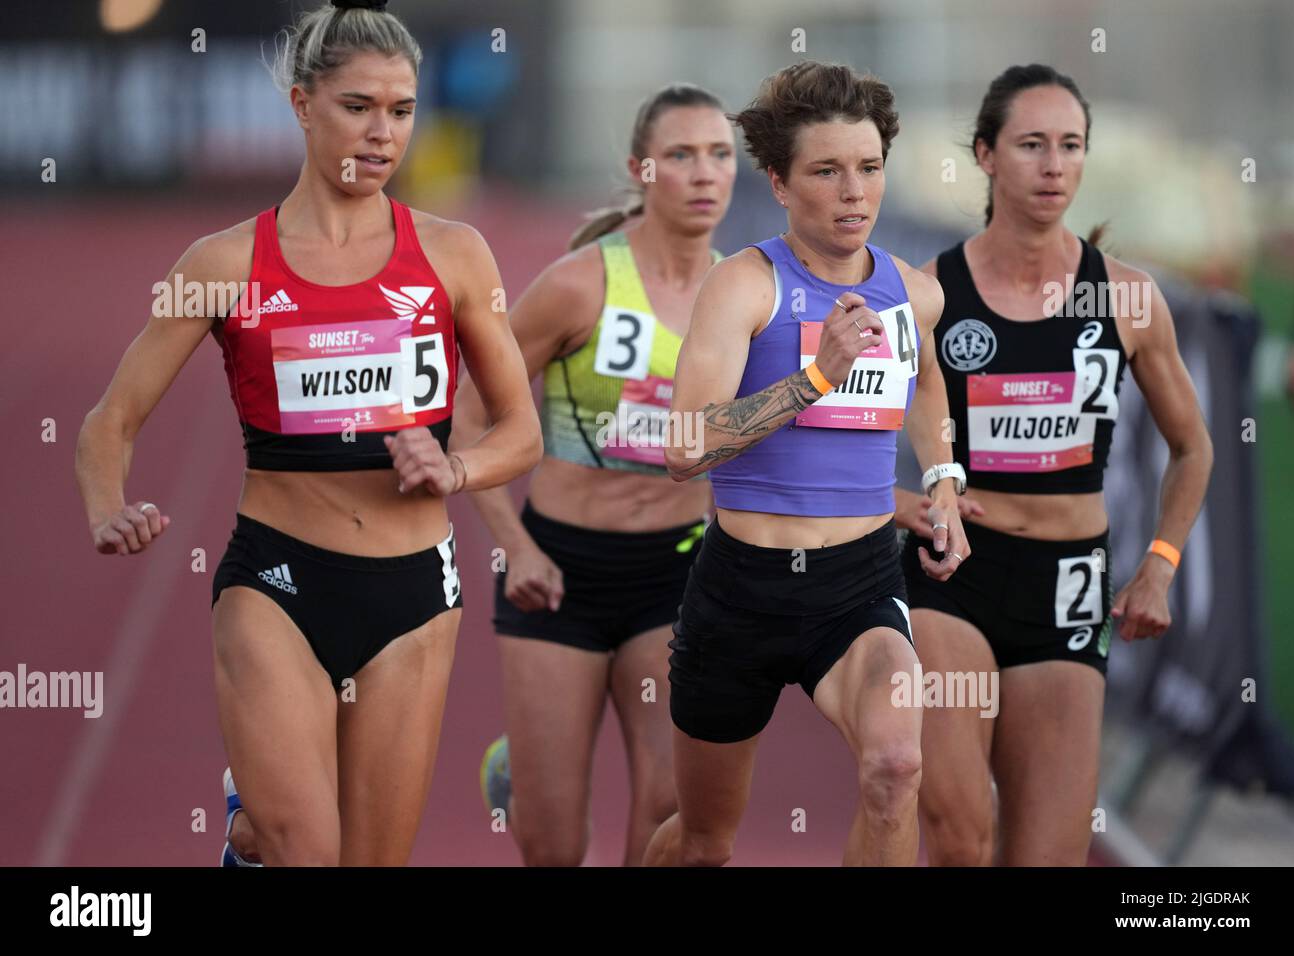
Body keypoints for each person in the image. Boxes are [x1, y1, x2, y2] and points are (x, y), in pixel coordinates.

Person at [74, 0, 540, 866]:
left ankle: (246, 839)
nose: (383, 133)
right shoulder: (223, 264)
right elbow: (112, 419)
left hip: (412, 596)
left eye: (401, 111)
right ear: (301, 105)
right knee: (307, 851)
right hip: (277, 582)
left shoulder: (455, 255)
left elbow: (520, 430)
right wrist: (108, 505)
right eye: (357, 107)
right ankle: (266, 836)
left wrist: (457, 466)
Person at [643, 60, 968, 867]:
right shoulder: (743, 286)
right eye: (827, 171)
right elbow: (685, 448)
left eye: (869, 169)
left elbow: (927, 383)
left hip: (856, 586)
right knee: (704, 842)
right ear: (781, 184)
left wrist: (943, 481)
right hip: (739, 590)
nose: (854, 191)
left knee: (896, 769)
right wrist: (815, 377)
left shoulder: (911, 292)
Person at [895, 63, 1214, 866]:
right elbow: (841, 426)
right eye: (1031, 144)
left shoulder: (1126, 299)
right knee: (960, 835)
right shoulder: (935, 291)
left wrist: (1160, 565)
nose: (1053, 164)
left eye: (1070, 145)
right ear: (986, 156)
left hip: (1070, 583)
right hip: (951, 575)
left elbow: (1193, 446)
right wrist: (898, 501)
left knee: (1048, 855)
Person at [455, 84, 736, 866]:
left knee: (670, 809)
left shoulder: (742, 296)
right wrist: (515, 547)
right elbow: (472, 417)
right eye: (681, 155)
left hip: (677, 574)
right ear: (641, 169)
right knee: (553, 842)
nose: (705, 173)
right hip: (559, 574)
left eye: (720, 154)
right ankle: (523, 770)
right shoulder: (579, 285)